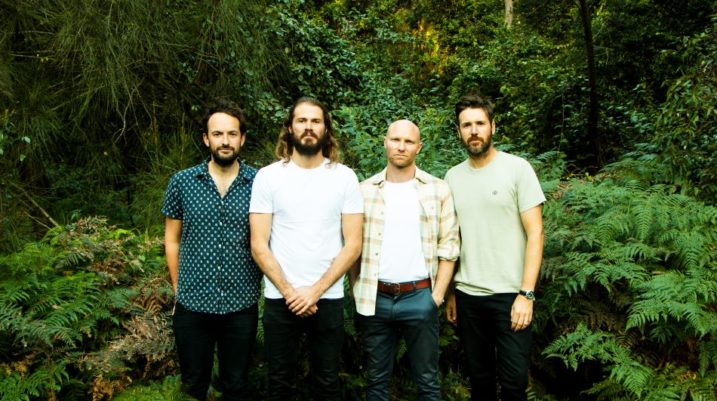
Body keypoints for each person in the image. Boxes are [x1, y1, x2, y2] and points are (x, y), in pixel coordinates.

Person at [249, 97, 363, 401]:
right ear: (290, 127)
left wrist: (315, 291)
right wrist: (290, 292)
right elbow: (258, 244)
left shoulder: (345, 177)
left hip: (328, 299)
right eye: (302, 120)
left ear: (326, 129)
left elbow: (353, 244)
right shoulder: (268, 176)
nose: (308, 127)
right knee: (279, 384)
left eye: (316, 121)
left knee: (327, 383)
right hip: (280, 299)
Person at [444, 94, 546, 401]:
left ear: (493, 127)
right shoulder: (452, 177)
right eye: (466, 125)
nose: (474, 131)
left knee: (514, 383)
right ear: (459, 131)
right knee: (480, 382)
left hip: (511, 295)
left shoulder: (517, 169)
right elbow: (453, 239)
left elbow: (536, 232)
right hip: (468, 295)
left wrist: (527, 294)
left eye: (480, 123)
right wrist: (451, 292)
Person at [351, 120, 460, 401]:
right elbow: (352, 246)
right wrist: (357, 288)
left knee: (427, 381)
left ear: (419, 147)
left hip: (420, 296)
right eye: (395, 140)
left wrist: (435, 297)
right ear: (385, 142)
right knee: (376, 381)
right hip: (375, 299)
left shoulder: (438, 189)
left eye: (409, 141)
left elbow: (449, 247)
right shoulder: (364, 190)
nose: (401, 146)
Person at [162, 99, 262, 401]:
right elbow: (172, 239)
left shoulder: (260, 183)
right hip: (192, 303)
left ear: (242, 138)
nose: (225, 141)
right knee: (194, 385)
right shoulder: (182, 182)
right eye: (218, 134)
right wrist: (178, 289)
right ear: (206, 139)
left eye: (232, 134)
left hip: (241, 303)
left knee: (236, 385)